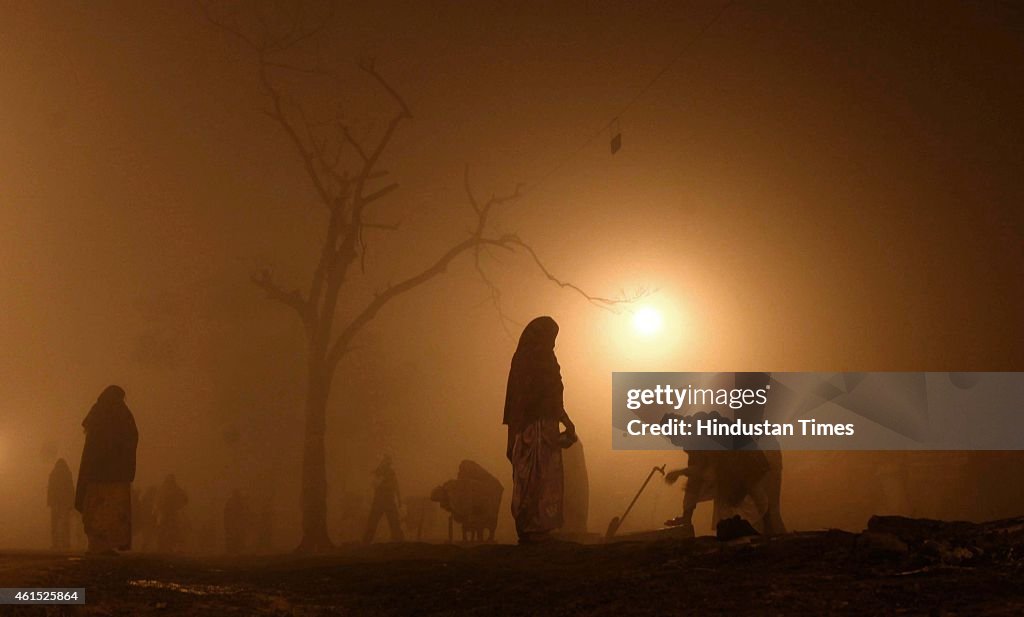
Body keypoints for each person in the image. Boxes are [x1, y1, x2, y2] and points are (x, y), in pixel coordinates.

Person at [503, 316, 577, 544]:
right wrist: (566, 422)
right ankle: (535, 527)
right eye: (551, 337)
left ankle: (532, 527)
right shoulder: (541, 358)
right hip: (538, 428)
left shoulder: (523, 359)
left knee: (533, 477)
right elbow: (550, 395)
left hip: (530, 426)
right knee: (539, 475)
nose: (553, 343)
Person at [75, 385, 139, 554]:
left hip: (96, 473)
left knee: (98, 509)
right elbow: (131, 438)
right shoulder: (122, 414)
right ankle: (105, 544)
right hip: (115, 475)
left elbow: (91, 444)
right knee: (111, 511)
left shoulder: (97, 413)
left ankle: (98, 543)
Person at [363, 456, 404, 543]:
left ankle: (399, 540)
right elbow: (375, 484)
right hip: (380, 501)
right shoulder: (379, 472)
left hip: (387, 501)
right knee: (373, 522)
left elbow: (396, 486)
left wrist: (399, 499)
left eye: (388, 463)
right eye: (386, 462)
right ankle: (366, 541)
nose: (388, 464)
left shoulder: (390, 473)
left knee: (393, 522)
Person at [47, 458, 75, 550]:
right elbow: (70, 489)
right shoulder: (67, 474)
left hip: (56, 503)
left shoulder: (53, 474)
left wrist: (50, 502)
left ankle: (56, 544)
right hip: (64, 503)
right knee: (65, 525)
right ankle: (66, 543)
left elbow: (50, 490)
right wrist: (71, 503)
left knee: (55, 525)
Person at [156, 474, 189, 552]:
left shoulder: (171, 488)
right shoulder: (165, 489)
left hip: (170, 513)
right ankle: (165, 546)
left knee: (172, 528)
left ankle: (170, 545)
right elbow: (158, 501)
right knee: (166, 528)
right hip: (166, 513)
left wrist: (179, 504)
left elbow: (185, 499)